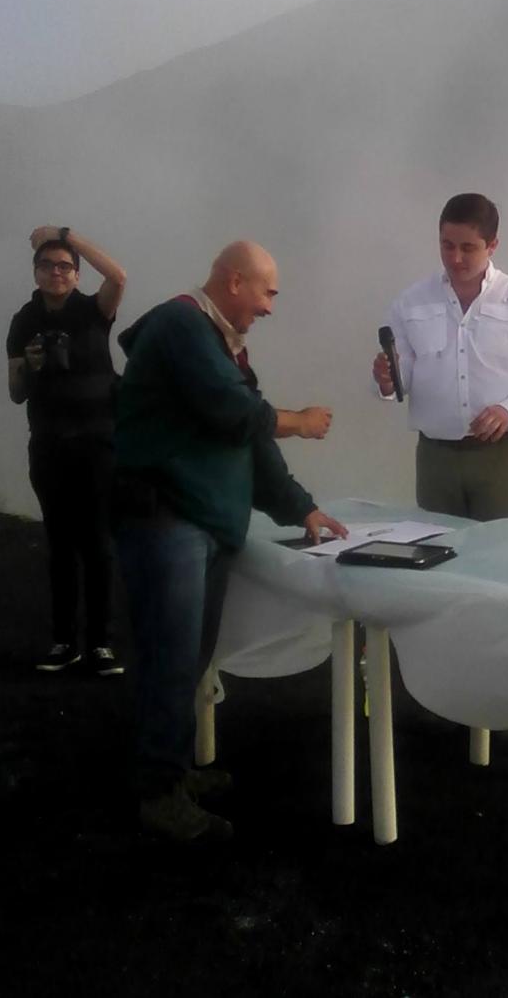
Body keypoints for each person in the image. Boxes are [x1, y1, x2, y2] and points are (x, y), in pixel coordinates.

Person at [114, 241, 347, 842]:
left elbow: (247, 434)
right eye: (268, 292)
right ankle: (158, 793)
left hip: (199, 525)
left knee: (188, 659)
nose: (270, 307)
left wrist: (302, 508)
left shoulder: (218, 344)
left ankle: (170, 771)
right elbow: (236, 413)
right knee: (170, 661)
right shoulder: (182, 325)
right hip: (167, 522)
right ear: (235, 282)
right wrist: (299, 422)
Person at [372, 193, 508, 521]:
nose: (455, 258)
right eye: (447, 246)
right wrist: (387, 381)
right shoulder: (411, 302)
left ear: (492, 245)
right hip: (436, 457)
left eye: (468, 248)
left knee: (502, 547)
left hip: (499, 455)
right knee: (438, 545)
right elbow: (401, 380)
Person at [7, 226, 127, 675]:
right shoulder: (24, 320)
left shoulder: (94, 311)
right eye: (47, 265)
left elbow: (118, 276)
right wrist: (31, 365)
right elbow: (16, 392)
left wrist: (65, 236)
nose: (55, 272)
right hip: (49, 444)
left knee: (97, 542)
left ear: (76, 274)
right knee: (59, 543)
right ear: (35, 272)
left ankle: (100, 644)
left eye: (64, 266)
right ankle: (63, 641)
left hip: (97, 445)